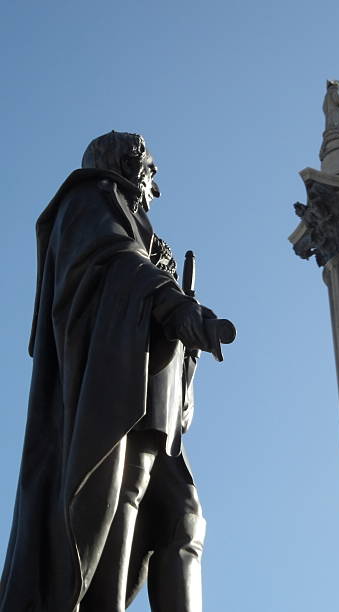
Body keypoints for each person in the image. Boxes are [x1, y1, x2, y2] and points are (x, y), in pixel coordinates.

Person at [0, 131, 222, 612]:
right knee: (120, 501)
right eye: (151, 172)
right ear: (127, 162)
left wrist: (185, 323)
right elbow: (110, 260)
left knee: (185, 518)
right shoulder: (87, 200)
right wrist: (171, 301)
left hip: (155, 402)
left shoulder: (134, 226)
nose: (154, 189)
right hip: (114, 396)